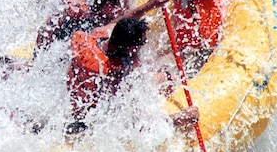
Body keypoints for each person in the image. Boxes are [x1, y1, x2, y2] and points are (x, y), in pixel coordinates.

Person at [68, 18, 198, 131]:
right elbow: (135, 121)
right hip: (89, 121)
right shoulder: (111, 73)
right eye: (142, 43)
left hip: (73, 98)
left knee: (164, 73)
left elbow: (119, 22)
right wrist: (181, 118)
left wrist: (150, 5)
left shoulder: (94, 37)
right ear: (130, 48)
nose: (145, 45)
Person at [35, 0, 169, 56]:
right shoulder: (83, 16)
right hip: (60, 49)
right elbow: (118, 21)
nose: (124, 9)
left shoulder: (98, 5)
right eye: (121, 4)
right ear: (107, 6)